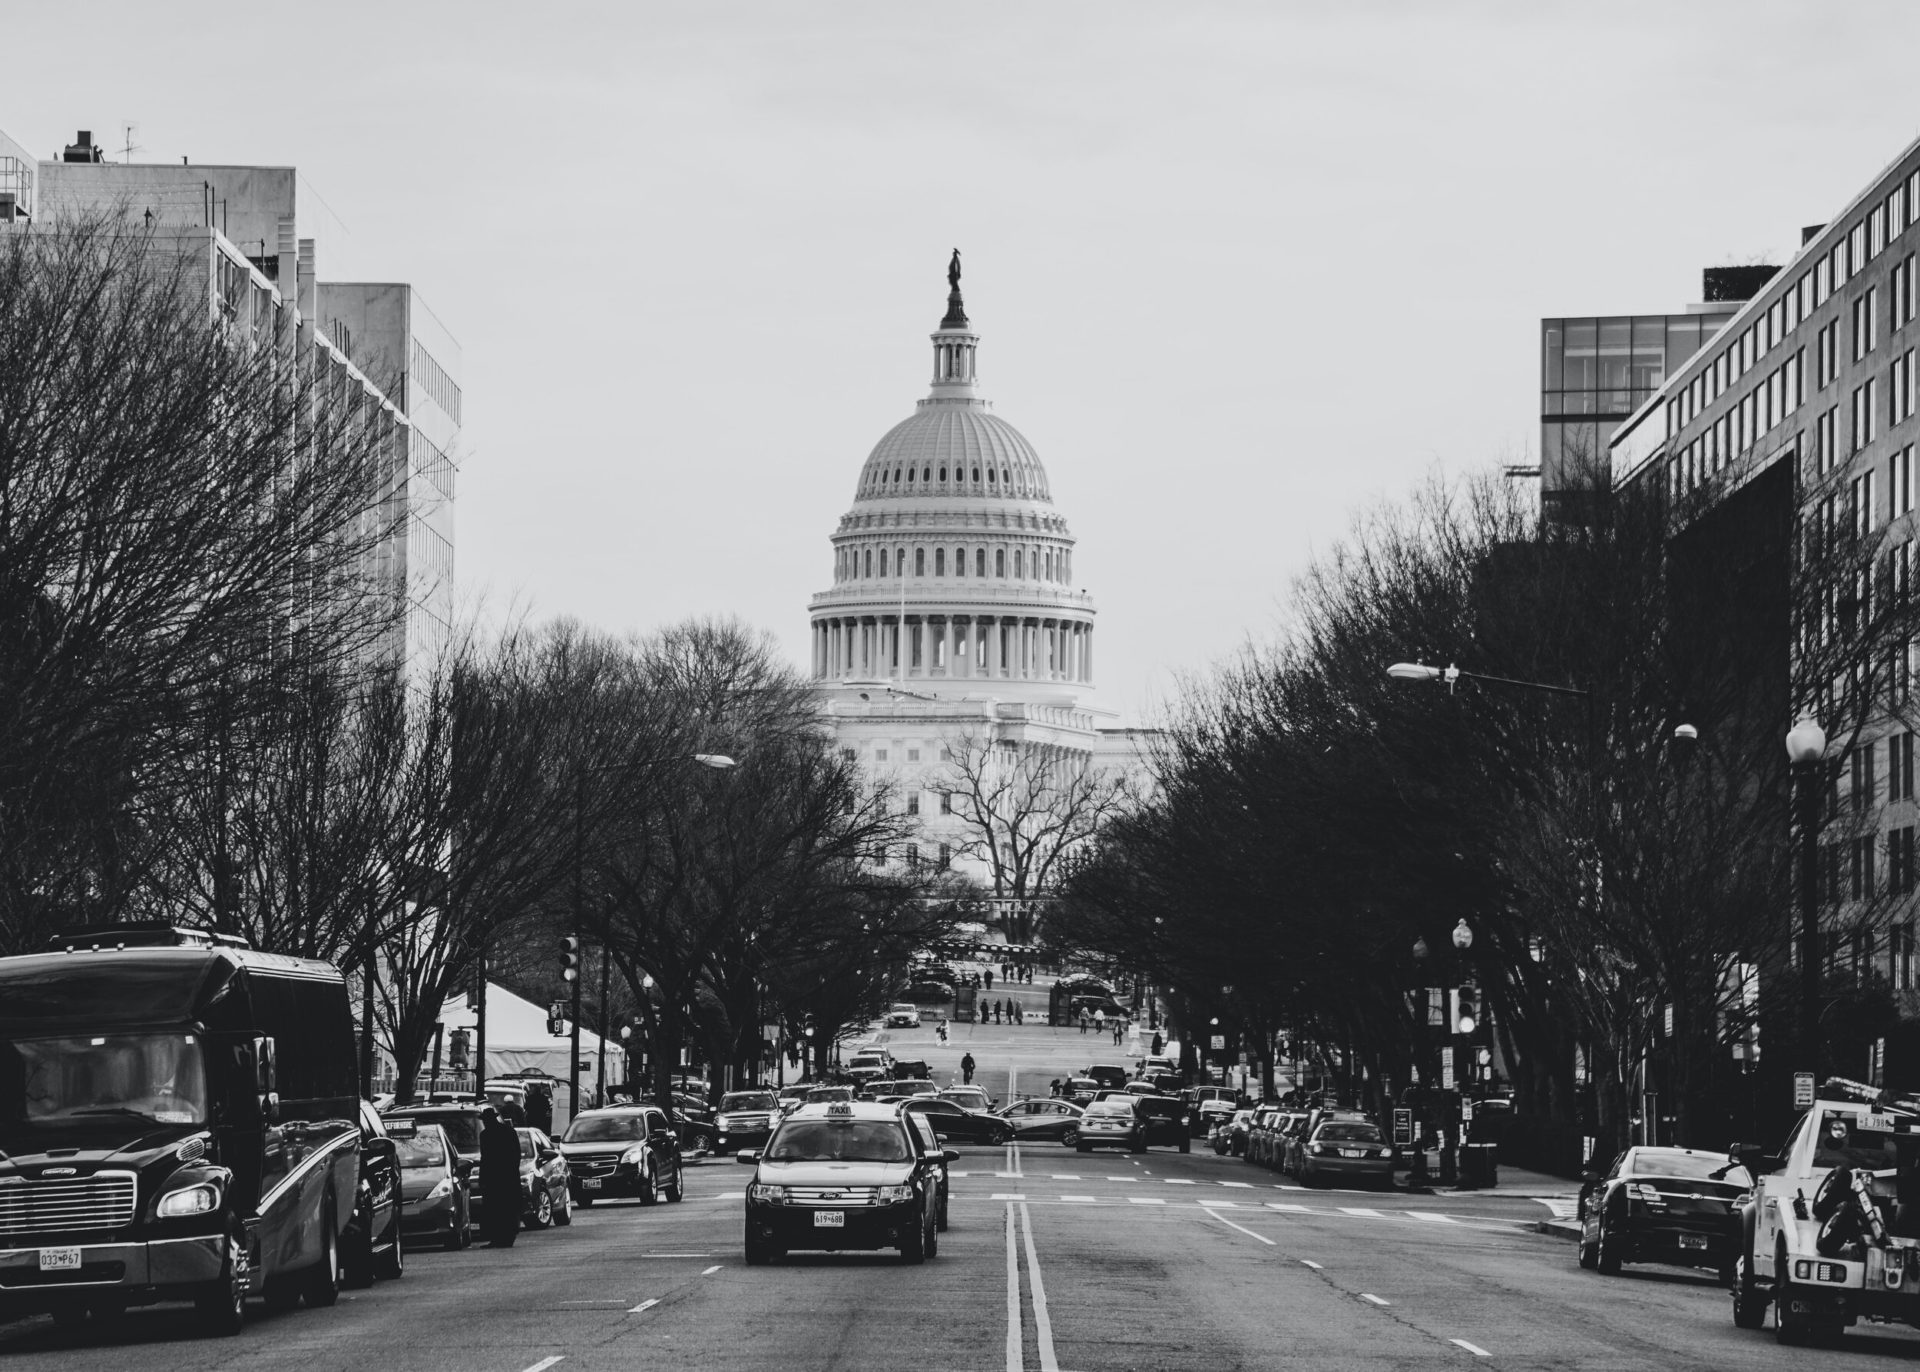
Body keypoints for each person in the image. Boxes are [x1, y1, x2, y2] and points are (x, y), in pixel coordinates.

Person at [478, 1107, 522, 1248]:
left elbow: (485, 1158)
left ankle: (497, 1238)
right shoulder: (509, 1131)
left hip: (494, 1178)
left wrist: (482, 1178)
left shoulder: (485, 1135)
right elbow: (516, 1154)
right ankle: (508, 1237)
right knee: (508, 1208)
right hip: (508, 1176)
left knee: (495, 1209)